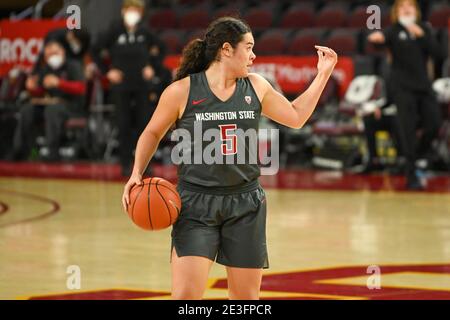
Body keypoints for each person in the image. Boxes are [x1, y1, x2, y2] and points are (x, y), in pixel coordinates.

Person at [121, 17, 337, 300]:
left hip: (245, 204)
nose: (253, 55)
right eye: (248, 48)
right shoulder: (181, 91)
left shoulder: (256, 86)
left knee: (245, 301)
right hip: (195, 205)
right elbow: (151, 133)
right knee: (185, 298)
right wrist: (137, 172)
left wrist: (323, 74)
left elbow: (296, 117)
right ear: (226, 50)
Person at [368, 0, 444, 189]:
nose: (406, 9)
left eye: (410, 6)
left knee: (434, 123)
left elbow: (439, 53)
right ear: (396, 12)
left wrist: (422, 37)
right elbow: (380, 41)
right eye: (402, 6)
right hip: (402, 89)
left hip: (424, 87)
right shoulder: (393, 30)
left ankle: (418, 156)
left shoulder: (424, 29)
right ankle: (412, 175)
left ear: (416, 11)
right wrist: (377, 39)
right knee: (407, 130)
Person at [91, 0, 166, 176]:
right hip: (121, 85)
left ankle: (145, 163)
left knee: (144, 124)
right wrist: (108, 71)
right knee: (123, 123)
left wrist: (151, 67)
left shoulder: (145, 32)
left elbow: (161, 48)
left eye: (137, 10)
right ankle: (125, 163)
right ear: (124, 11)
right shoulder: (114, 31)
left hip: (142, 85)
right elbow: (95, 50)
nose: (133, 13)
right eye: (130, 9)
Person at [11, 40, 86, 161]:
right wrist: (32, 88)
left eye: (54, 53)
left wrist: (59, 83)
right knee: (27, 110)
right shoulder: (46, 69)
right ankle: (27, 151)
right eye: (48, 55)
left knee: (52, 111)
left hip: (71, 106)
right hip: (49, 104)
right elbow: (40, 90)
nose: (52, 57)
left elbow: (81, 88)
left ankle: (53, 153)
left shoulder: (73, 65)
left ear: (62, 52)